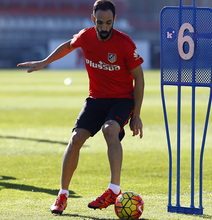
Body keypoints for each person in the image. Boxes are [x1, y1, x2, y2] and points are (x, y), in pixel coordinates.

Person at [17, 0, 144, 215]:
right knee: (76, 138)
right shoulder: (86, 36)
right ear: (93, 19)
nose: (104, 27)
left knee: (109, 130)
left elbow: (139, 79)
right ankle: (62, 196)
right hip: (96, 99)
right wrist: (44, 62)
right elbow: (68, 45)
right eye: (100, 23)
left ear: (114, 21)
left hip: (121, 99)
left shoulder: (124, 43)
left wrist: (137, 115)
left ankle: (114, 190)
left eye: (109, 23)